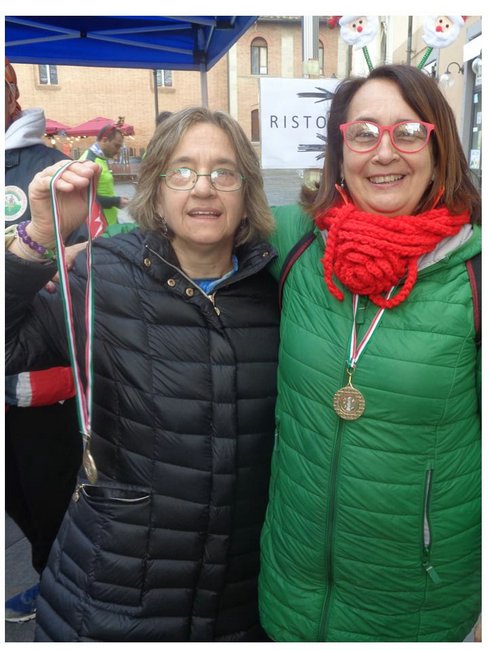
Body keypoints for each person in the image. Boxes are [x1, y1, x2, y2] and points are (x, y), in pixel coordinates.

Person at [5, 107, 280, 641]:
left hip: (240, 603)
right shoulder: (101, 275)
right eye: (183, 170)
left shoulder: (277, 291)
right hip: (111, 597)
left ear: (247, 192)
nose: (203, 187)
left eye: (224, 172)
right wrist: (38, 237)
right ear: (155, 189)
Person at [259, 64, 481, 642]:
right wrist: (54, 244)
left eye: (407, 132)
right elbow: (188, 234)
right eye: (363, 133)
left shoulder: (475, 272)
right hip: (291, 589)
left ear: (439, 147)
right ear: (341, 150)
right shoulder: (298, 240)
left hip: (417, 606)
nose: (384, 152)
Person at [4, 57, 83, 623]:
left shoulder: (51, 169)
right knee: (13, 497)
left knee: (49, 498)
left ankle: (58, 584)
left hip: (36, 379)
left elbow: (83, 262)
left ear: (11, 94)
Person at [78, 124, 129, 226]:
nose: (118, 151)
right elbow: (87, 199)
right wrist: (116, 201)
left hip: (109, 222)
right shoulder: (88, 161)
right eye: (116, 145)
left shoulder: (100, 158)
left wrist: (116, 201)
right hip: (98, 226)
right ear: (104, 140)